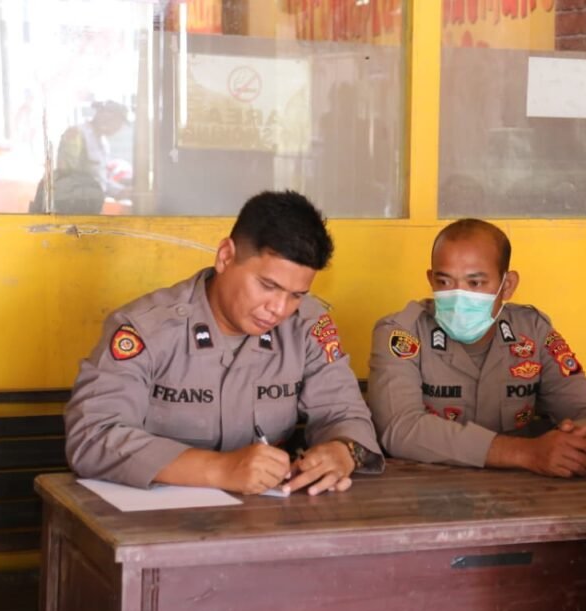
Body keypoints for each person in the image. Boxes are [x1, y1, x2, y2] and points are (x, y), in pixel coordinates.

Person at [65, 190, 383, 495]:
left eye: (296, 295)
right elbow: (92, 437)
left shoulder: (306, 328)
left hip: (267, 517)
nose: (279, 308)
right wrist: (220, 470)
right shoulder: (147, 329)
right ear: (226, 256)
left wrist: (343, 451)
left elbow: (345, 416)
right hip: (158, 520)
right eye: (268, 285)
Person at [367, 218, 586, 477]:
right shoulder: (401, 333)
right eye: (444, 282)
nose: (458, 296)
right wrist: (526, 453)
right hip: (425, 489)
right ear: (431, 280)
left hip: (521, 491)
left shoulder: (532, 331)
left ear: (507, 286)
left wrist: (580, 440)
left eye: (475, 283)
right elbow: (400, 429)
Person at [31, 101, 130, 214]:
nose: (118, 127)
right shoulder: (76, 134)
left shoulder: (103, 143)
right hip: (74, 208)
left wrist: (121, 191)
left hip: (93, 206)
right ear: (105, 115)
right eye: (118, 122)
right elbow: (66, 175)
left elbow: (100, 180)